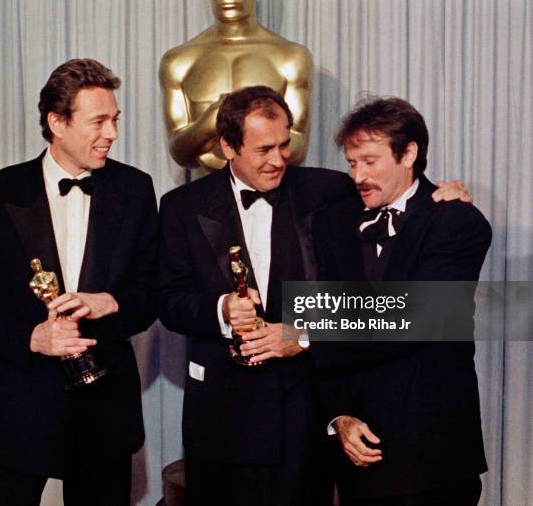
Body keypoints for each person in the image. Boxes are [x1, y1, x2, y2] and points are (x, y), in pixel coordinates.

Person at [158, 86, 469, 506]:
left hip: (305, 412)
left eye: (285, 144)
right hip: (221, 418)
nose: (278, 159)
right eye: (263, 148)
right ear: (229, 147)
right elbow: (168, 299)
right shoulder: (180, 205)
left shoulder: (330, 190)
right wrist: (221, 310)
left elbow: (398, 212)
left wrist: (445, 197)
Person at [0, 59, 158, 506]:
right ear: (57, 122)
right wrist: (32, 337)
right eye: (98, 121)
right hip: (12, 410)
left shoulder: (135, 189)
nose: (113, 134)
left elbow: (153, 292)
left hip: (104, 415)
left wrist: (112, 303)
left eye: (115, 120)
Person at [311, 97, 492, 506]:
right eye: (352, 162)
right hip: (359, 455)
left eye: (370, 161)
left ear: (409, 153)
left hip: (432, 458)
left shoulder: (457, 221)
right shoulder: (332, 222)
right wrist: (339, 416)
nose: (359, 175)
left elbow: (414, 318)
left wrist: (306, 333)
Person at [159, 0, 313, 170]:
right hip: (205, 197)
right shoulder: (178, 61)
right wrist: (210, 121)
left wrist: (247, 126)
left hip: (277, 194)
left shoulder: (291, 57)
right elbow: (179, 151)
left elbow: (298, 146)